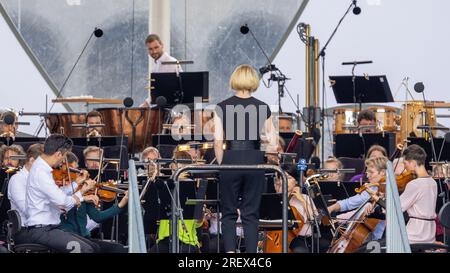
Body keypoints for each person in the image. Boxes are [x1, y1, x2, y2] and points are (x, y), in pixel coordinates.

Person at [213, 64, 278, 253]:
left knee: (229, 213)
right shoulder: (263, 107)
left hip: (230, 158)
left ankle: (231, 254)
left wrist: (222, 164)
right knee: (251, 214)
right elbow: (272, 142)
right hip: (255, 159)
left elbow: (218, 141)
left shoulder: (222, 106)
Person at [22, 134, 98, 252]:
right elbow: (63, 202)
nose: (63, 161)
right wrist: (82, 196)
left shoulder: (42, 168)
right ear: (58, 154)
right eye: (64, 157)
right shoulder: (41, 172)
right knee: (85, 250)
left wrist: (76, 183)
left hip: (49, 229)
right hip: (42, 231)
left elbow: (58, 193)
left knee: (94, 247)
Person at [327, 156, 388, 241]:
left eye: (371, 172)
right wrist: (331, 208)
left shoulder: (392, 189)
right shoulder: (373, 188)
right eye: (367, 172)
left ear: (382, 172)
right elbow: (351, 202)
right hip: (373, 238)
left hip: (386, 238)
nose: (367, 175)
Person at [401, 144, 437, 244]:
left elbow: (397, 207)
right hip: (430, 235)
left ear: (412, 163)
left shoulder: (414, 184)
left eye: (405, 163)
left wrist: (379, 199)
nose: (404, 167)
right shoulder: (433, 182)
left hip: (414, 235)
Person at [140, 34, 182, 107]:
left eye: (156, 47)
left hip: (172, 107)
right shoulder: (155, 67)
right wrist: (146, 103)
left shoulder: (171, 63)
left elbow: (169, 90)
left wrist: (147, 103)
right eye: (150, 49)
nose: (154, 51)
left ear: (162, 45)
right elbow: (157, 91)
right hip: (162, 105)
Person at [7, 144, 44, 227]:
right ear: (32, 161)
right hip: (27, 229)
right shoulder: (17, 180)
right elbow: (29, 211)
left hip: (45, 228)